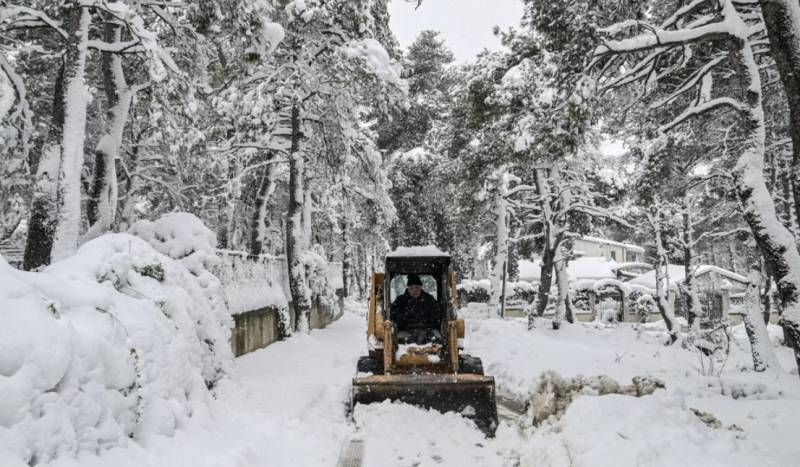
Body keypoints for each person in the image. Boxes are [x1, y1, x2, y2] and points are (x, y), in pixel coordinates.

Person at [391, 274, 442, 343]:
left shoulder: (429, 300)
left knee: (439, 341)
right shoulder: (400, 301)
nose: (414, 290)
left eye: (417, 287)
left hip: (428, 330)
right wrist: (405, 316)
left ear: (421, 287)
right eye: (411, 288)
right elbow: (393, 317)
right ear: (408, 288)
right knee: (395, 342)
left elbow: (437, 316)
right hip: (405, 331)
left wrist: (428, 326)